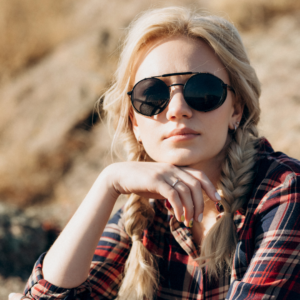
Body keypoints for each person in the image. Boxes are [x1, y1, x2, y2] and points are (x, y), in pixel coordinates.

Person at [9, 6, 300, 300]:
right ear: (134, 122)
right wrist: (109, 182)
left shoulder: (284, 192)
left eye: (202, 90)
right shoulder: (148, 211)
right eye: (152, 95)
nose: (177, 110)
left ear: (236, 109)